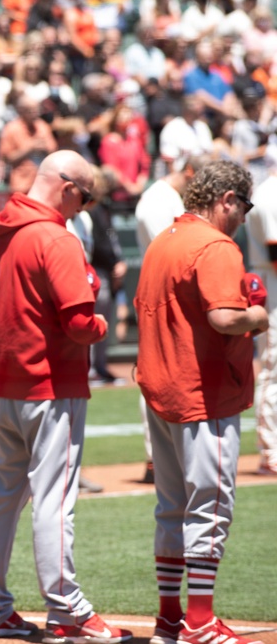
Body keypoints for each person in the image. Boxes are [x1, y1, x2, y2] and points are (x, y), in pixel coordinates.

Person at [0, 150, 132, 643]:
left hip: (5, 382)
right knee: (54, 500)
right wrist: (105, 323)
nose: (82, 208)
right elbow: (81, 324)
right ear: (67, 188)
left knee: (4, 498)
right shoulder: (56, 237)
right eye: (84, 198)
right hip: (51, 383)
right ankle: (67, 610)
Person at [135, 160, 267, 644]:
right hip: (203, 392)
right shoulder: (216, 245)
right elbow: (224, 319)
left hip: (161, 389)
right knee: (209, 508)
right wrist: (258, 315)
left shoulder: (164, 239)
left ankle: (170, 616)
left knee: (171, 508)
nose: (243, 217)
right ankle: (199, 619)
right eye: (243, 206)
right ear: (227, 199)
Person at [133, 154, 208, 483]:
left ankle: (166, 456)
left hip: (172, 294)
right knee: (153, 371)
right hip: (160, 295)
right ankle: (155, 458)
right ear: (190, 171)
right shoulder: (157, 198)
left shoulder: (170, 197)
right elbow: (170, 250)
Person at [243, 169, 277, 476]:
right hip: (271, 282)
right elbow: (275, 250)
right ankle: (270, 451)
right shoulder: (270, 194)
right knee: (272, 367)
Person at [0, 94, 57, 194]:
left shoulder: (42, 126)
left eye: (37, 110)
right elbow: (7, 158)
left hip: (42, 183)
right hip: (20, 184)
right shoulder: (11, 128)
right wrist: (30, 148)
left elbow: (53, 151)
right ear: (21, 111)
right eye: (31, 111)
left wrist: (44, 148)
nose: (35, 114)